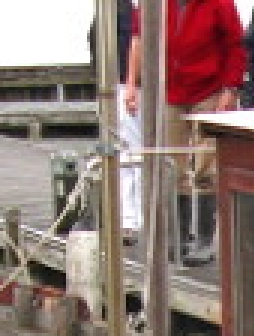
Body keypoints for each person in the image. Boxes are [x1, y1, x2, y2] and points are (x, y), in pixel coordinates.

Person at [126, 0, 246, 266]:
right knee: (172, 165)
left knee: (206, 165)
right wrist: (134, 84)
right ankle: (178, 237)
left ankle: (204, 241)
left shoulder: (219, 2)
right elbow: (139, 37)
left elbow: (235, 44)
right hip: (171, 90)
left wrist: (230, 88)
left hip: (209, 90)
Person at [91, 0, 142, 237]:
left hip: (125, 87)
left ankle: (131, 217)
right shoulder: (116, 12)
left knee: (131, 152)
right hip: (120, 86)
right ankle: (130, 217)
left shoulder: (119, 13)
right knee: (127, 152)